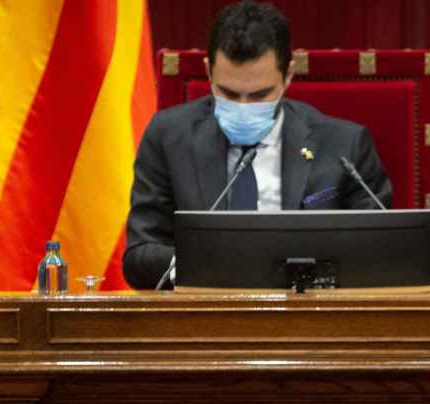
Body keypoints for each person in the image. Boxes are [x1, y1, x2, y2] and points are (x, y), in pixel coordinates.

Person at [122, 1, 394, 290]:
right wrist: (209, 266)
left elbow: (379, 251)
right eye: (228, 93)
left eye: (260, 95)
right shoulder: (168, 137)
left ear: (288, 75)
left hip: (309, 320)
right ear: (208, 72)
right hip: (204, 318)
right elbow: (140, 255)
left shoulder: (343, 146)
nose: (243, 107)